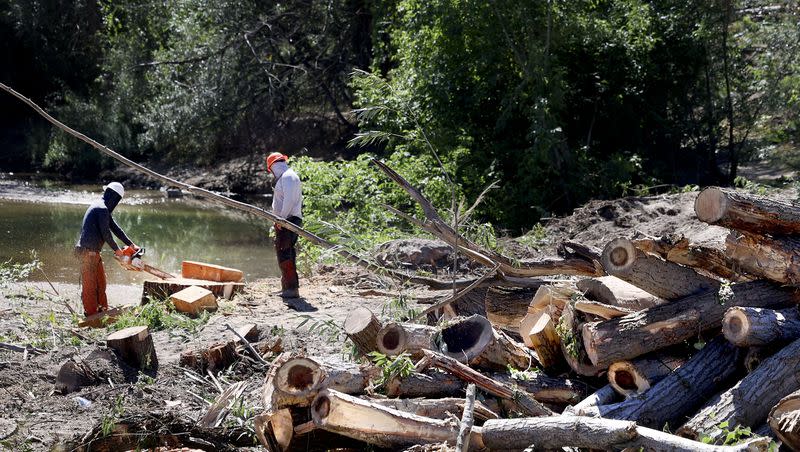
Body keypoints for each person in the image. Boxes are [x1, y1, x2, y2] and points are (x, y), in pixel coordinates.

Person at [75, 182, 138, 317]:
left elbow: (115, 229)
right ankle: (91, 315)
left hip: (93, 253)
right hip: (88, 252)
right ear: (114, 197)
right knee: (91, 287)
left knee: (101, 283)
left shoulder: (102, 208)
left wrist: (131, 245)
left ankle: (102, 311)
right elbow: (106, 233)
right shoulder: (101, 208)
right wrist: (117, 250)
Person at [266, 152, 303, 298]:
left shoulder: (288, 177)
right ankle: (287, 287)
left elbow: (289, 201)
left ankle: (291, 289)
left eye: (271, 170)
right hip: (286, 220)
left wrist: (281, 219)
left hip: (288, 220)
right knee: (285, 253)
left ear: (274, 166)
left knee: (285, 253)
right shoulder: (287, 176)